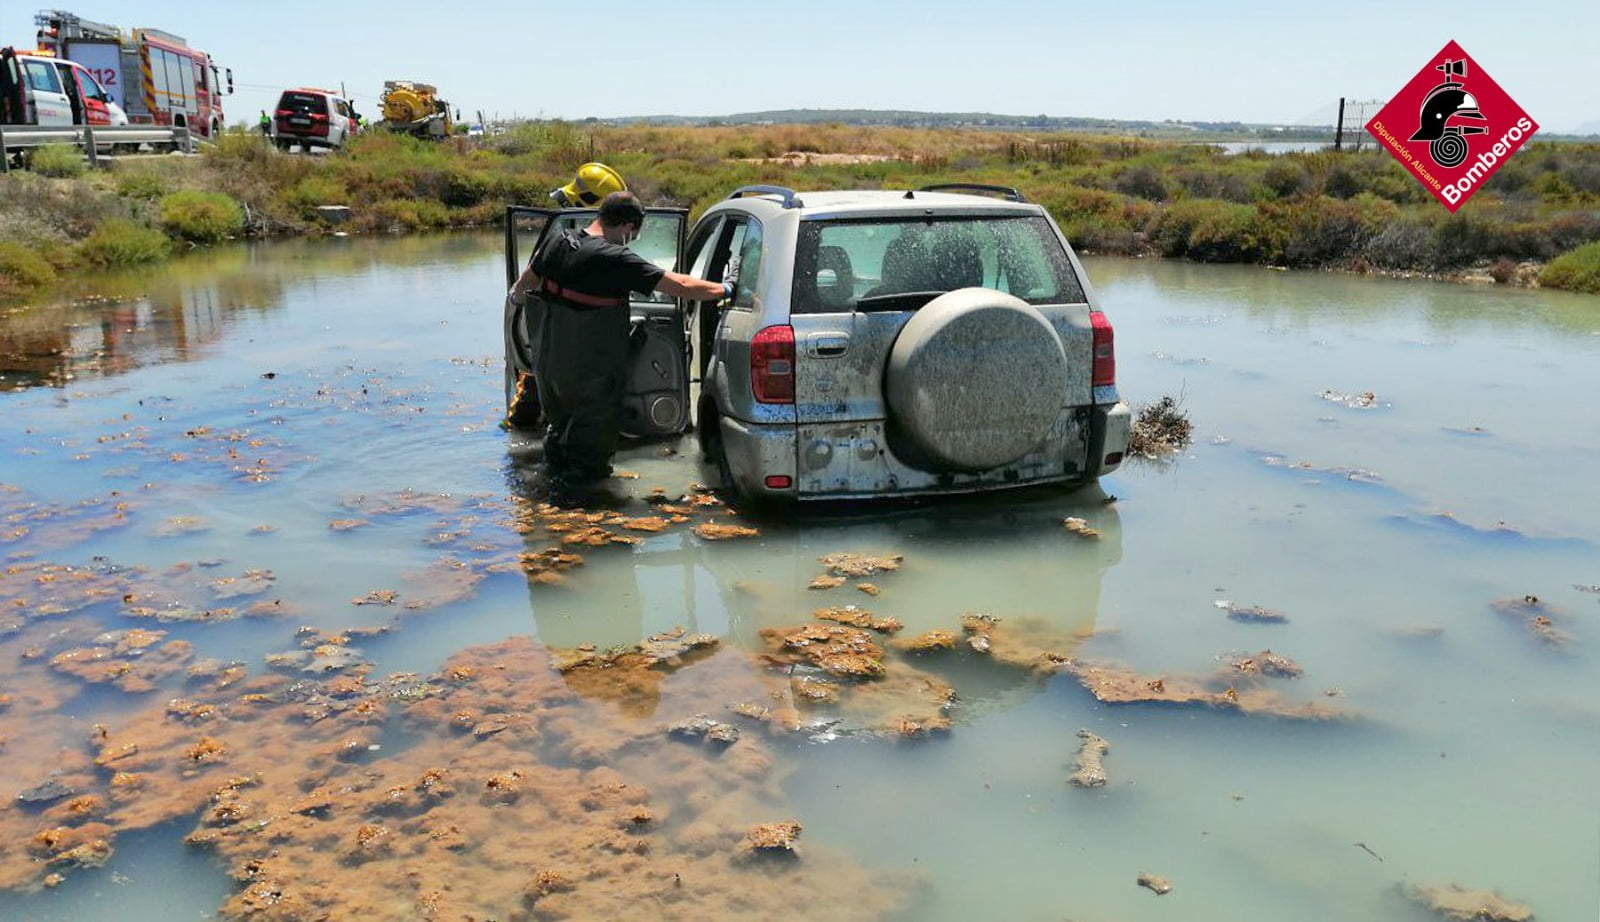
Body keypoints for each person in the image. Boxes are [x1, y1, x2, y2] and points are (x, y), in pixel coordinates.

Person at [510, 190, 730, 490]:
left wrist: (514, 306)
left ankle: (552, 504)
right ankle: (588, 514)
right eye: (634, 234)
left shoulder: (557, 241)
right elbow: (681, 286)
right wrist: (726, 290)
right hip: (593, 374)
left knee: (559, 433)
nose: (632, 239)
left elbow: (523, 288)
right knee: (589, 455)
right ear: (627, 226)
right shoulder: (616, 258)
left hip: (552, 371)